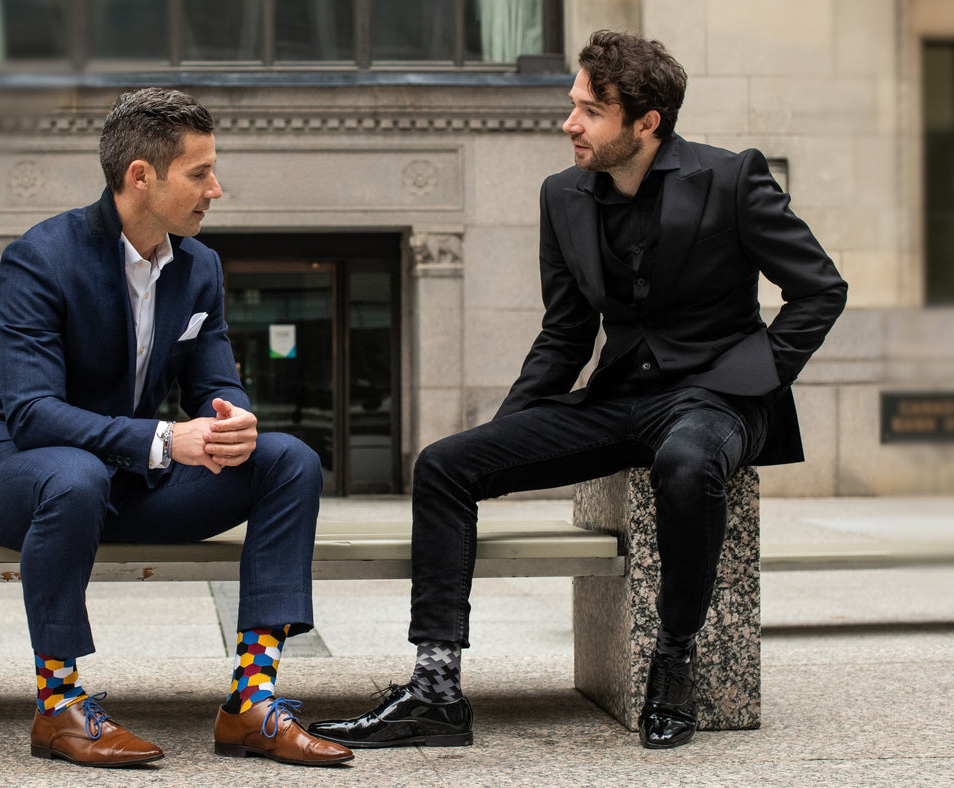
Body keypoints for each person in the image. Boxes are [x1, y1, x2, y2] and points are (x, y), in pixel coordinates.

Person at [309, 30, 847, 751]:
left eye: (590, 110)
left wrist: (756, 376)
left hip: (714, 403)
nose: (570, 123)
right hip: (619, 400)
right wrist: (503, 438)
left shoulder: (732, 179)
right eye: (574, 105)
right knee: (444, 463)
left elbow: (820, 289)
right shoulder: (562, 196)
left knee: (686, 465)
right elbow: (566, 333)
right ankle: (435, 690)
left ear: (646, 123)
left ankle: (674, 659)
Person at [0, 87, 352, 769]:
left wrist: (230, 417)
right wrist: (165, 439)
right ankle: (60, 709)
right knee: (73, 476)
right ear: (141, 176)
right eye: (200, 173)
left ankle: (251, 704)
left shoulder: (200, 266)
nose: (215, 189)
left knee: (290, 460)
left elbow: (214, 377)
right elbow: (31, 410)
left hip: (128, 482)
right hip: (23, 476)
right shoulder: (39, 258)